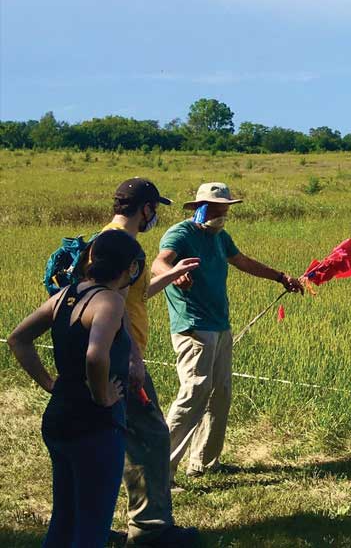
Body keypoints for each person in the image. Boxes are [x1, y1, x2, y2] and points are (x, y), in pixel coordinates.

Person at [7, 231, 192, 547]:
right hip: (94, 426)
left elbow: (18, 339)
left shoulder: (66, 294)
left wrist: (51, 383)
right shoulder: (110, 301)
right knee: (92, 526)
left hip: (59, 418)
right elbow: (96, 355)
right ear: (131, 267)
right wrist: (101, 395)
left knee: (64, 519)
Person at [154, 182, 304, 481]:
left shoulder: (220, 237)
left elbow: (242, 261)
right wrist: (173, 275)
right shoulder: (180, 233)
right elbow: (159, 263)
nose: (221, 215)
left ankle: (204, 463)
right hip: (193, 325)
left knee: (220, 394)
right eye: (215, 209)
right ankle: (158, 469)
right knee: (194, 391)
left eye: (225, 210)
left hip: (220, 325)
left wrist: (280, 276)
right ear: (199, 208)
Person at [101, 178, 200, 546]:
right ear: (145, 208)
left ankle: (96, 524)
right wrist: (133, 358)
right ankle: (150, 529)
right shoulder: (123, 245)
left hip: (115, 353)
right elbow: (115, 305)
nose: (154, 216)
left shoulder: (108, 240)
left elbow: (135, 294)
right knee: (150, 438)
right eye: (154, 208)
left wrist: (171, 275)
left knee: (117, 439)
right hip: (122, 356)